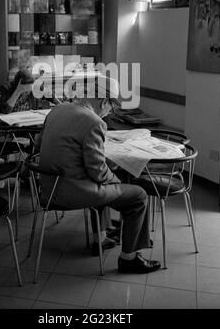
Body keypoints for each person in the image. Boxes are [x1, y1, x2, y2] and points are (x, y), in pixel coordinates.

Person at [37, 74, 161, 274]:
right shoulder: (93, 122)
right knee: (138, 195)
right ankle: (129, 258)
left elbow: (38, 144)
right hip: (73, 192)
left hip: (49, 188)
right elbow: (98, 172)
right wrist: (117, 180)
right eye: (111, 106)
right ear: (104, 101)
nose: (110, 111)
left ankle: (101, 238)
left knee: (107, 181)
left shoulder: (57, 110)